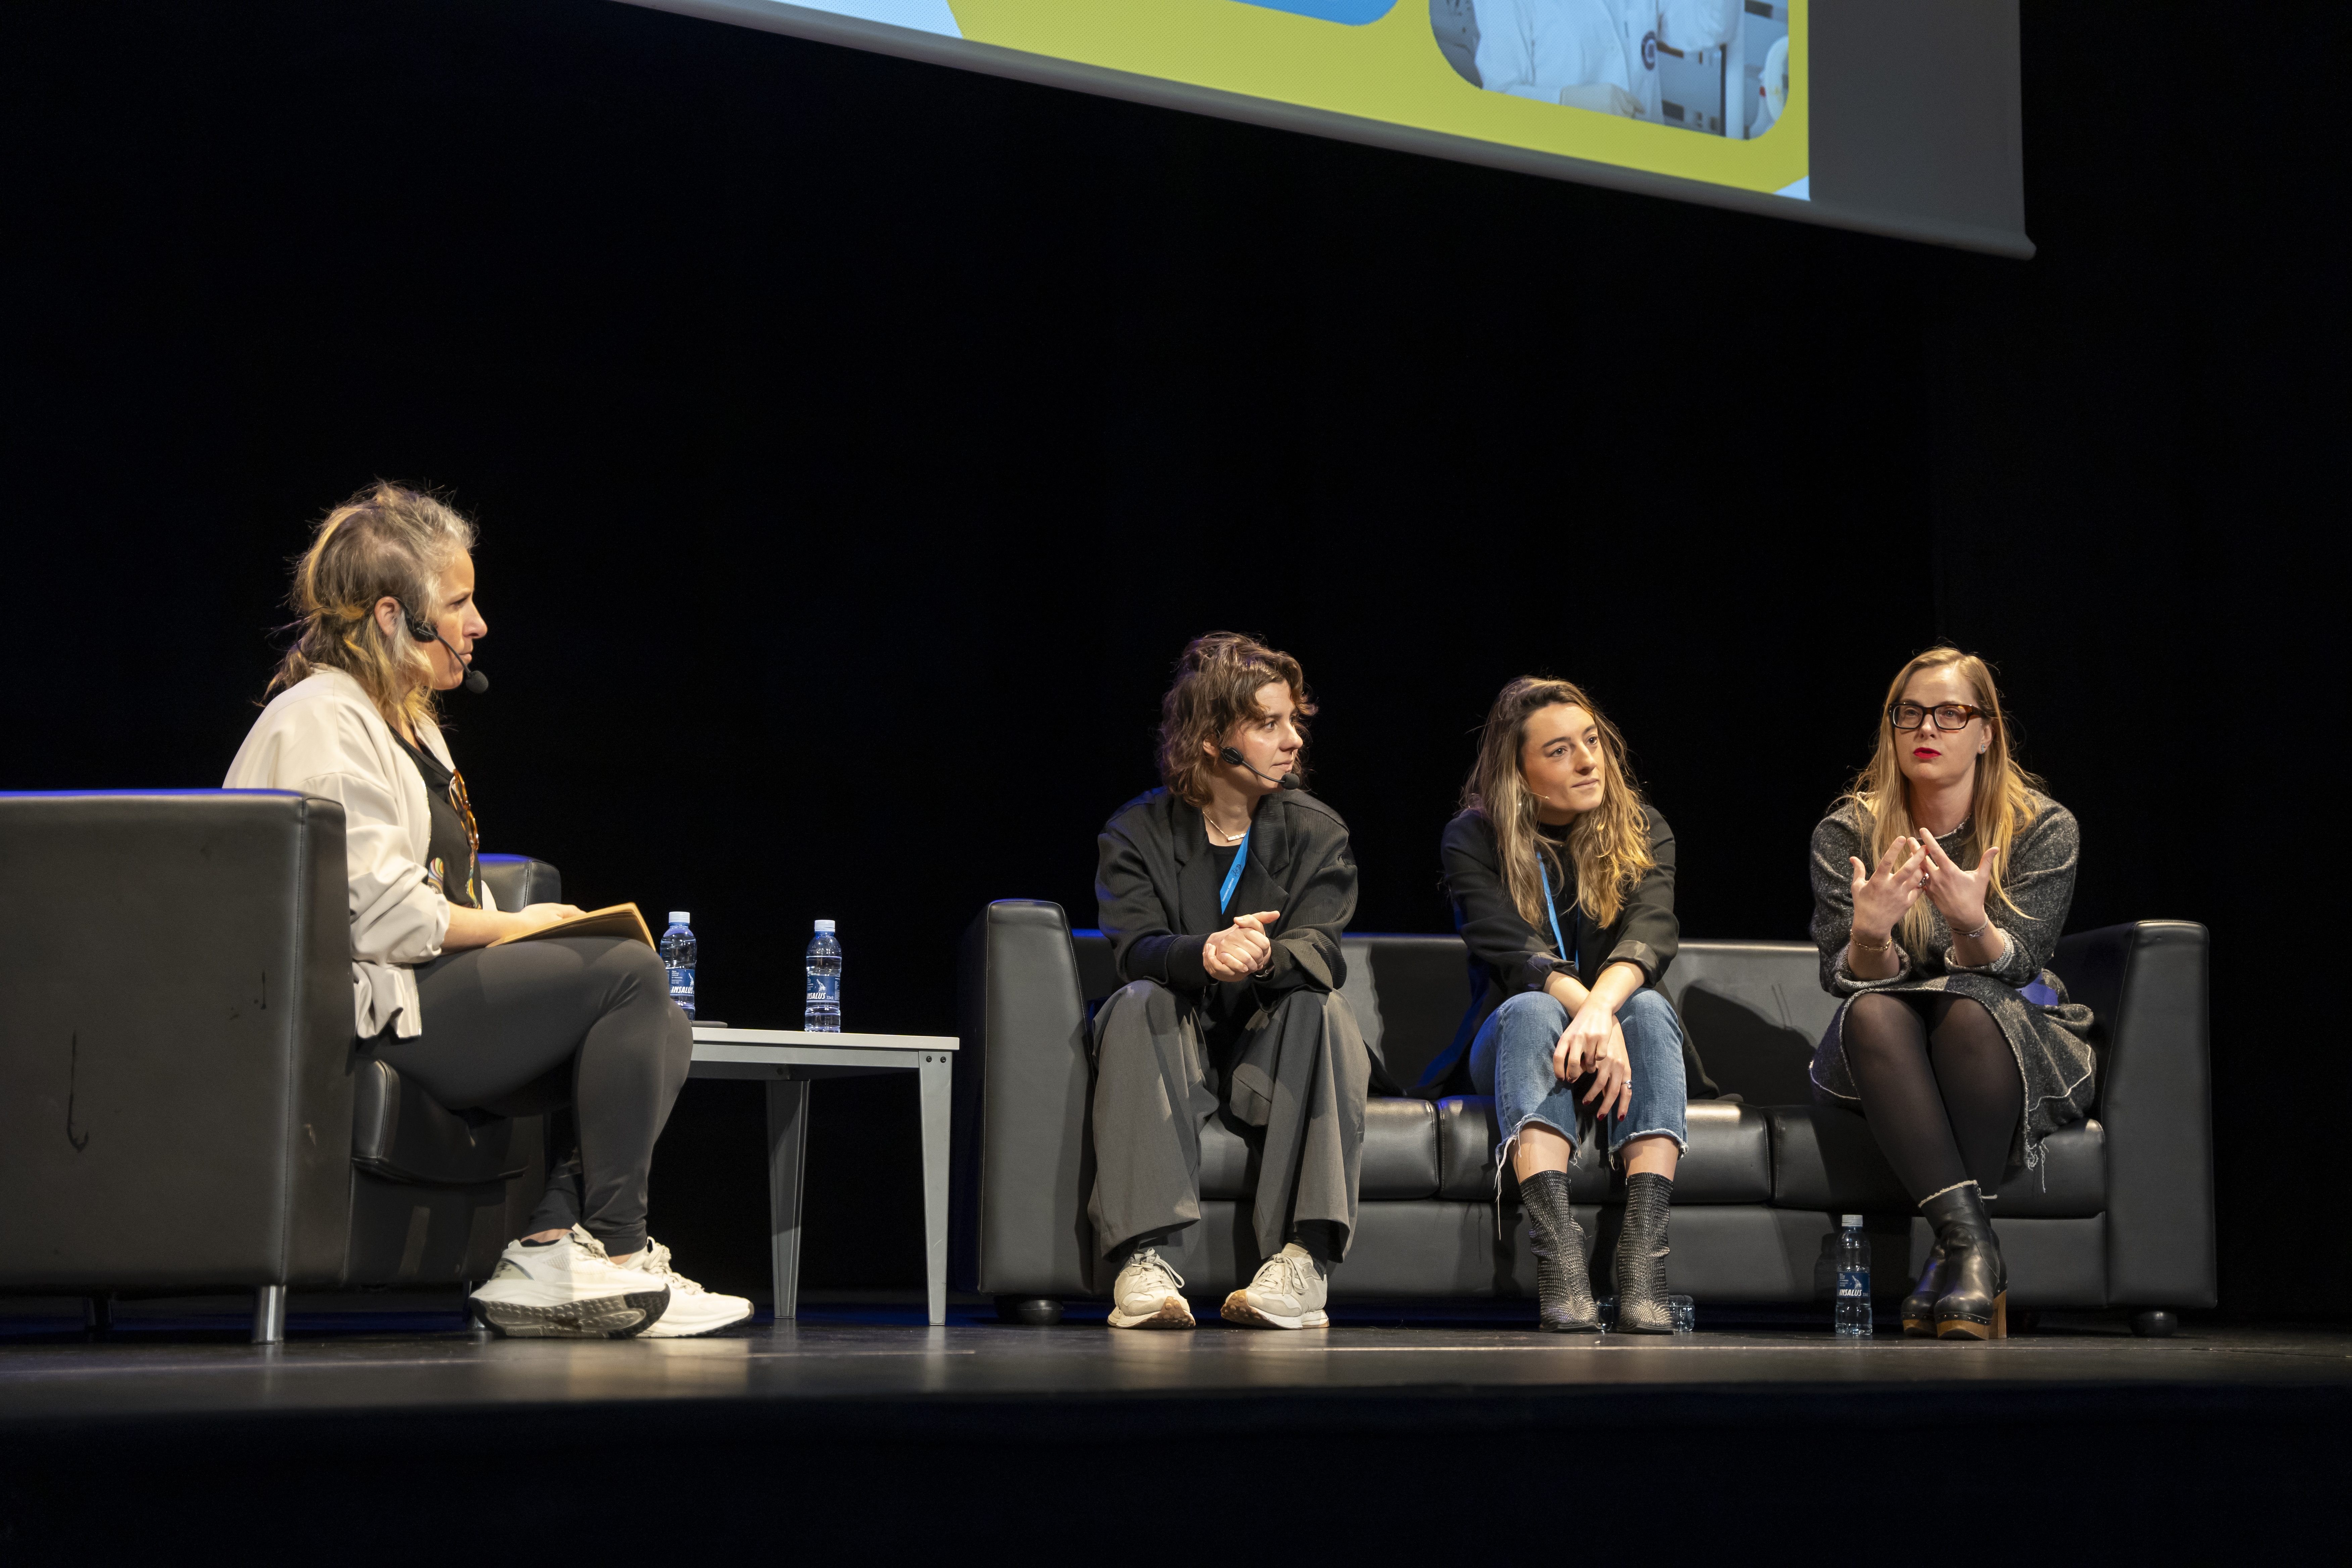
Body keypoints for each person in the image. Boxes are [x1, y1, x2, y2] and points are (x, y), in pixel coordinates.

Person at [225, 482, 749, 1339]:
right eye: (460, 604)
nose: (479, 625)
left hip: (420, 995)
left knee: (664, 1020)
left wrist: (525, 932)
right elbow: (375, 912)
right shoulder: (321, 718)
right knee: (624, 973)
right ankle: (618, 1254)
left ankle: (550, 1241)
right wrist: (525, 927)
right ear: (395, 616)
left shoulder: (415, 727)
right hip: (353, 1014)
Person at [1090, 632, 1384, 1331]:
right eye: (1267, 723)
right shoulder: (1135, 832)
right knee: (1136, 1002)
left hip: (1269, 1057)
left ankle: (1302, 1260)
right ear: (1209, 737)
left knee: (1324, 1007)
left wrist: (1258, 956)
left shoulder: (1318, 832)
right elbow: (1135, 947)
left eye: (1294, 722)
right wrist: (1205, 952)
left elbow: (1319, 945)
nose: (1292, 741)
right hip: (1173, 1056)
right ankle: (1146, 1259)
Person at [1807, 647, 2093, 1340]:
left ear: (1986, 730)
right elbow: (1840, 974)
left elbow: (2021, 963)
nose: (1925, 728)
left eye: (1949, 713)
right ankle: (1973, 1249)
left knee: (1969, 1004)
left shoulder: (2042, 827)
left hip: (2005, 1026)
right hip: (1889, 1045)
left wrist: (1973, 923)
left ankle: (1956, 1252)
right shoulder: (1847, 831)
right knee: (1871, 1008)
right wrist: (1871, 937)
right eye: (1909, 713)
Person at [1422, 678, 1686, 1332]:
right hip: (1514, 1039)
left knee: (1648, 1008)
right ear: (1520, 770)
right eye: (1562, 750)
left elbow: (1651, 931)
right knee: (1533, 1010)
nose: (1590, 760)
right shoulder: (1473, 838)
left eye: (1593, 742)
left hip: (1625, 1029)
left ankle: (1643, 1263)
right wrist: (1587, 1009)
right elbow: (1512, 950)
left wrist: (1602, 1009)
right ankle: (1559, 1261)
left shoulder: (1642, 828)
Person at [1471, 0, 1738, 120]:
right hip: (1562, 163)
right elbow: (1499, 97)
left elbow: (1708, 27)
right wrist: (1565, 102)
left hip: (1643, 161)